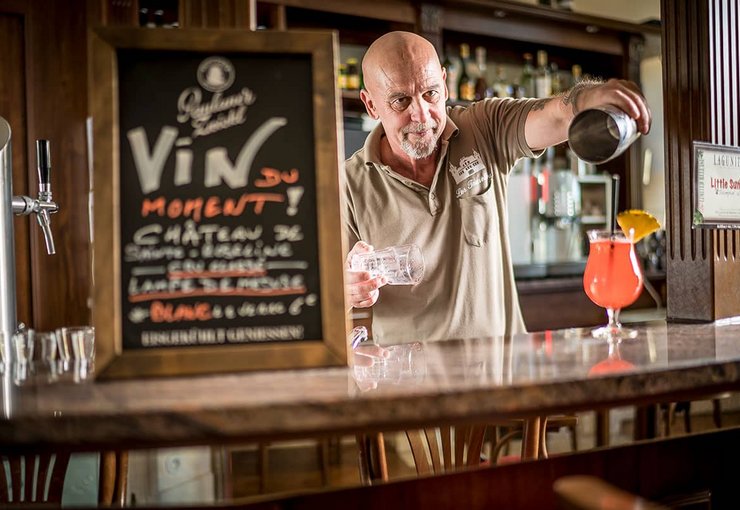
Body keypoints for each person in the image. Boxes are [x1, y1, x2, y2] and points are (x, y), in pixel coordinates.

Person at [343, 31, 651, 345]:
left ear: (446, 84)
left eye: (431, 94)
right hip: (409, 384)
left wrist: (589, 98)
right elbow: (324, 292)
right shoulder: (347, 184)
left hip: (500, 375)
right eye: (401, 100)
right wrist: (348, 287)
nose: (421, 115)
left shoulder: (483, 127)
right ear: (371, 104)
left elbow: (557, 116)